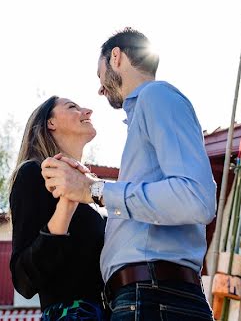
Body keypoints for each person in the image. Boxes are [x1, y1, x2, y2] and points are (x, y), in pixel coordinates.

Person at [41, 28, 216, 320]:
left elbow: (196, 198)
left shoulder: (155, 96)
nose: (100, 89)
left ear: (117, 56)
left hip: (153, 296)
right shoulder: (148, 112)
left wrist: (93, 191)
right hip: (150, 296)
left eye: (100, 75)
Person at [9, 96, 109, 320]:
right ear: (50, 123)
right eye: (73, 107)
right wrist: (67, 204)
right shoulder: (32, 173)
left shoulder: (92, 194)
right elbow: (23, 280)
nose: (88, 111)